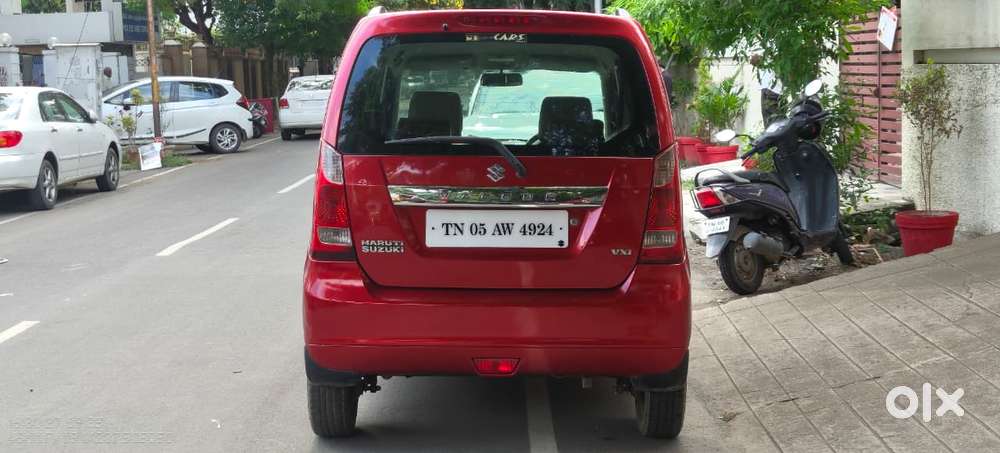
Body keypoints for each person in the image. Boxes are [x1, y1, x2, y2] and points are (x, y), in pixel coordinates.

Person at [750, 53, 783, 125]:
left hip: (769, 91)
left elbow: (753, 60)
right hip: (778, 91)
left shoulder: (767, 56)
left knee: (771, 122)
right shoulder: (774, 58)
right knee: (780, 119)